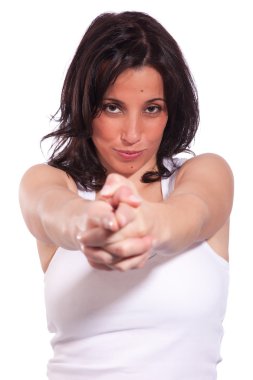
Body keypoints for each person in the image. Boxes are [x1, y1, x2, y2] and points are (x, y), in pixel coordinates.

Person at [19, 11, 234, 380]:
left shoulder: (204, 173)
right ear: (86, 106)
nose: (132, 134)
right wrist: (92, 223)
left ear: (172, 112)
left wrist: (144, 225)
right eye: (112, 107)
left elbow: (190, 214)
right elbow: (56, 212)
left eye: (152, 108)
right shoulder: (47, 181)